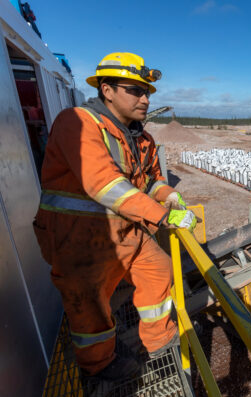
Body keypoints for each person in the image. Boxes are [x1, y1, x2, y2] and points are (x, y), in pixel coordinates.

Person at [33, 52, 196, 380]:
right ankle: (99, 365)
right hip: (79, 240)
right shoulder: (77, 123)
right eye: (135, 90)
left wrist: (171, 197)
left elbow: (151, 180)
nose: (145, 99)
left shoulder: (140, 137)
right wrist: (161, 217)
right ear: (107, 90)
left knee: (159, 271)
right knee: (89, 306)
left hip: (126, 232)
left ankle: (160, 342)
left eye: (147, 92)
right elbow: (104, 184)